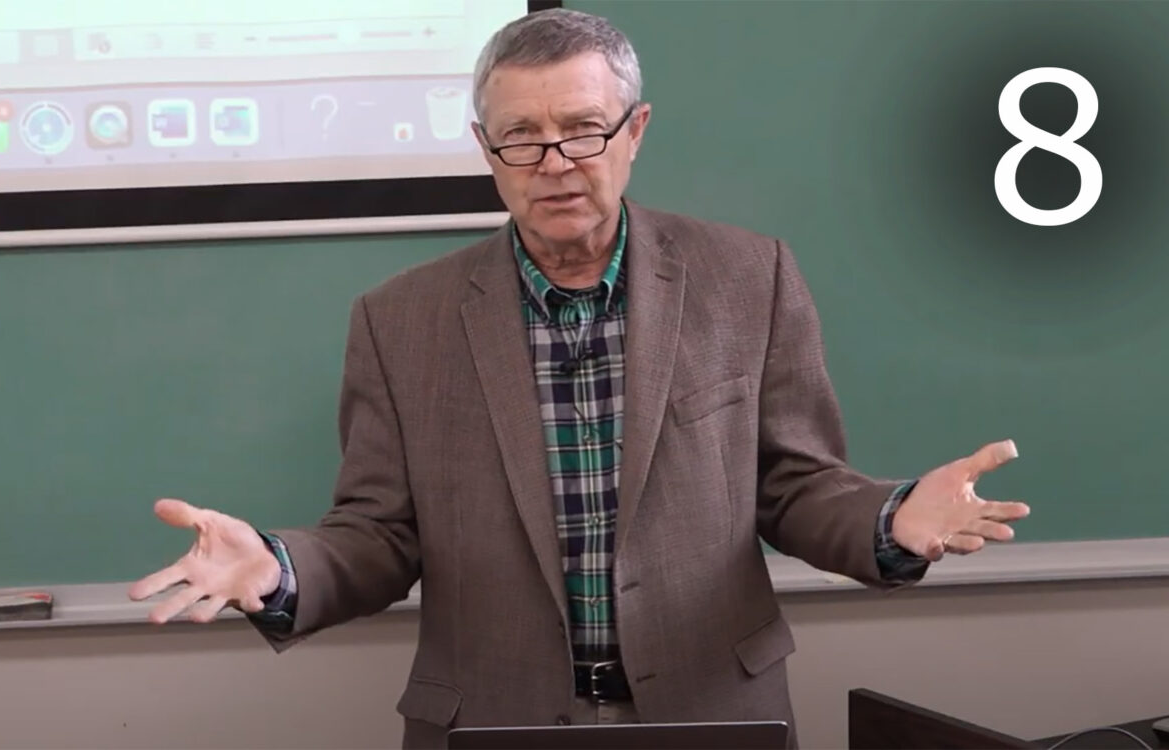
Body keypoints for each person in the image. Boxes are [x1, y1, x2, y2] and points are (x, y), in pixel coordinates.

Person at [129, 7, 1030, 749]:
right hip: (489, 718)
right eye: (522, 138)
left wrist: (889, 520)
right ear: (485, 149)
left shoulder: (749, 278)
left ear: (635, 131)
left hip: (711, 708)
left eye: (583, 129)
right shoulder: (398, 320)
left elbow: (795, 486)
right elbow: (378, 534)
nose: (555, 162)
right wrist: (279, 569)